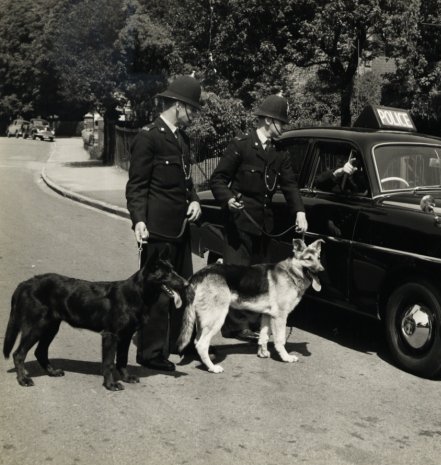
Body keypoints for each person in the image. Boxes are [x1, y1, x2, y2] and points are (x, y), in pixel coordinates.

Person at [210, 94, 308, 341]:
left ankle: (250, 323)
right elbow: (218, 179)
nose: (283, 128)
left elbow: (289, 185)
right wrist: (228, 198)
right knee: (237, 276)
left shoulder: (279, 153)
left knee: (258, 278)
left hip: (263, 226)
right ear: (267, 121)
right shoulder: (241, 146)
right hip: (240, 223)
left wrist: (299, 211)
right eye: (280, 123)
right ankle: (233, 326)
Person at [125, 75, 202, 371]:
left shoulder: (182, 139)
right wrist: (138, 221)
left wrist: (194, 199)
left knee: (184, 288)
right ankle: (150, 353)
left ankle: (178, 344)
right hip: (157, 230)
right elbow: (137, 186)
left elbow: (186, 180)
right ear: (179, 106)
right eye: (192, 109)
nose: (193, 115)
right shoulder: (149, 136)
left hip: (181, 229)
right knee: (156, 294)